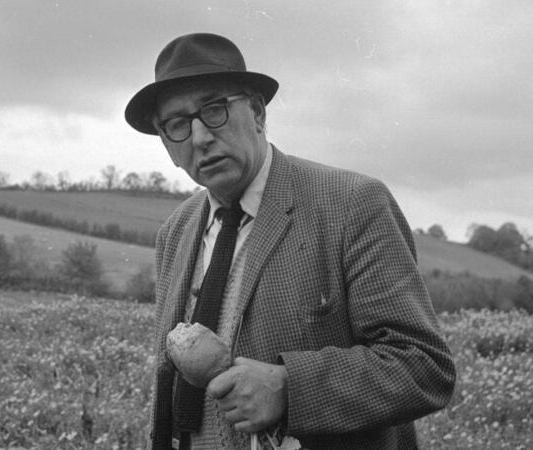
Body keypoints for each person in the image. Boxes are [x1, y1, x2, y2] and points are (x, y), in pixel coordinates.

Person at [125, 33, 456, 449]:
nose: (199, 137)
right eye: (177, 124)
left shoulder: (352, 203)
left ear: (257, 112)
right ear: (167, 145)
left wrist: (289, 388)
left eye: (214, 110)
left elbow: (424, 366)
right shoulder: (175, 231)